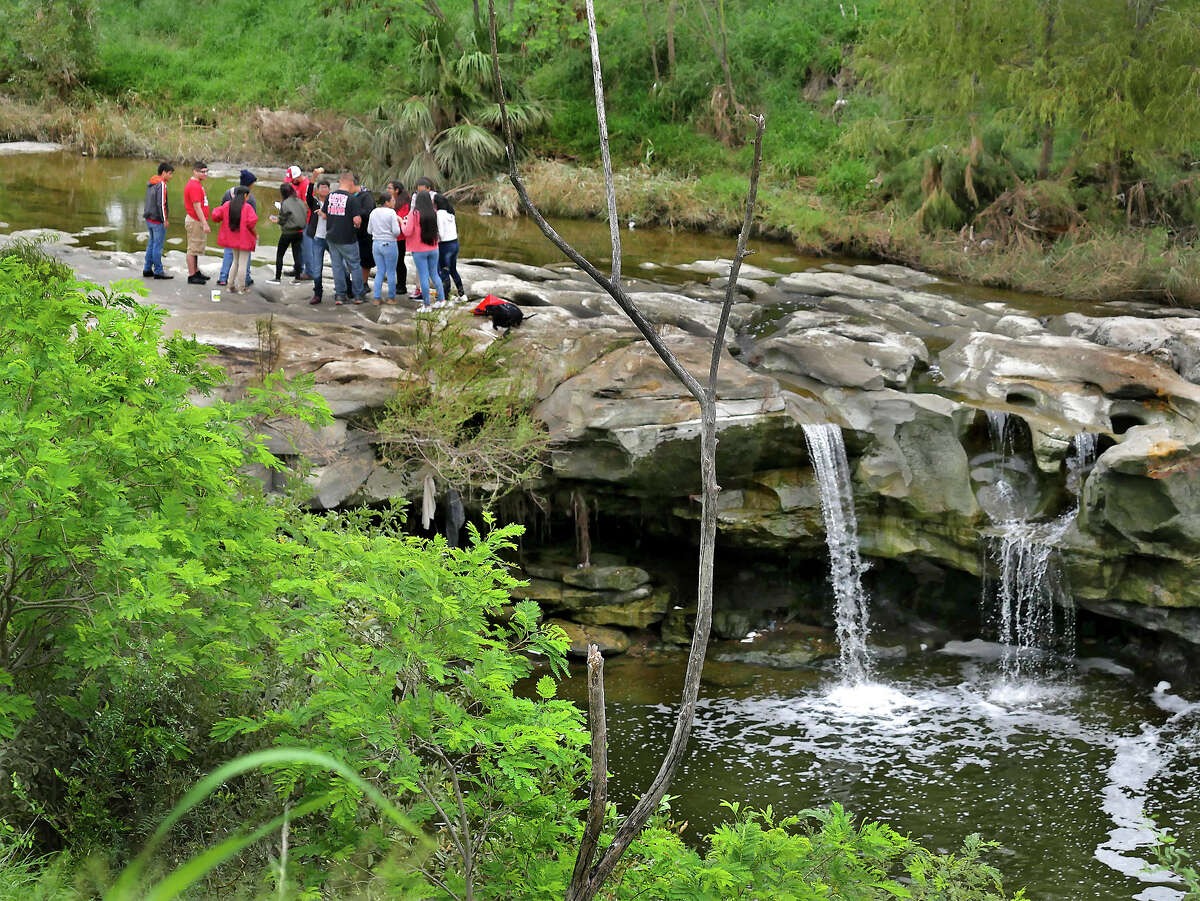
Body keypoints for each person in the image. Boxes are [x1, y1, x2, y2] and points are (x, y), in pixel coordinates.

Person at [325, 171, 366, 305]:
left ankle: (340, 295)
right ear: (351, 182)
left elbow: (324, 215)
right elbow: (357, 220)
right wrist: (357, 223)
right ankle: (358, 295)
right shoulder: (352, 199)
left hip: (331, 236)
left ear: (340, 181)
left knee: (337, 266)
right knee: (354, 266)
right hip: (347, 237)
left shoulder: (330, 196)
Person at [211, 185, 258, 294]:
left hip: (232, 239)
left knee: (235, 262)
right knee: (243, 263)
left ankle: (230, 285)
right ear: (245, 195)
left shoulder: (227, 205)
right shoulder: (247, 207)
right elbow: (251, 223)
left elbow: (216, 215)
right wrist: (256, 234)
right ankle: (242, 288)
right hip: (245, 239)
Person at [401, 190, 440, 309]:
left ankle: (427, 305)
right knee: (435, 275)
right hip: (434, 248)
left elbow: (407, 231)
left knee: (423, 276)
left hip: (419, 250)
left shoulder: (414, 213)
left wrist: (402, 222)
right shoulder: (434, 212)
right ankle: (441, 300)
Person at [267, 183, 307, 283]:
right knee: (297, 254)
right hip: (299, 232)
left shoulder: (285, 203)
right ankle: (297, 278)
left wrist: (276, 219)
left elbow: (282, 219)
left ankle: (277, 278)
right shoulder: (300, 201)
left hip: (288, 232)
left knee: (280, 254)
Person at [367, 190, 402, 304]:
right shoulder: (392, 213)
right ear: (387, 202)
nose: (394, 202)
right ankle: (391, 297)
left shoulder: (373, 212)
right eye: (392, 200)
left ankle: (377, 298)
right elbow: (396, 232)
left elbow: (369, 230)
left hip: (376, 243)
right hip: (389, 243)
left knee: (380, 271)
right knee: (391, 271)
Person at [142, 161, 174, 279]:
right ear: (164, 173)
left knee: (151, 244)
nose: (171, 176)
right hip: (157, 220)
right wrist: (165, 219)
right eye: (170, 174)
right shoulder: (161, 184)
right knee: (157, 246)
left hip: (149, 218)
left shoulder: (152, 182)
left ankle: (147, 268)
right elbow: (161, 204)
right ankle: (158, 271)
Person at [183, 161, 211, 284]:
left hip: (197, 220)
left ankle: (196, 271)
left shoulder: (198, 184)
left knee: (196, 248)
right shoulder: (194, 186)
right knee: (192, 248)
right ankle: (191, 275)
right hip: (195, 220)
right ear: (195, 171)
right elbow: (197, 207)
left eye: (206, 171)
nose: (205, 174)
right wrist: (204, 223)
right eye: (202, 172)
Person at [304, 178, 331, 305]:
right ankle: (317, 293)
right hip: (317, 238)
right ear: (317, 190)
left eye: (326, 187)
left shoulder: (333, 203)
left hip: (331, 238)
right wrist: (312, 180)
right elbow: (308, 195)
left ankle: (346, 289)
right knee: (317, 266)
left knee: (341, 265)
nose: (324, 189)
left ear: (330, 190)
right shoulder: (314, 202)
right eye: (322, 187)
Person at [434, 192, 464, 302]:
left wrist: (434, 240)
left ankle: (445, 297)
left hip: (445, 246)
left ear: (436, 203)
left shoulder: (439, 215)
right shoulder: (450, 213)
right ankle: (462, 294)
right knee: (453, 270)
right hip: (454, 243)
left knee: (443, 271)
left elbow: (441, 234)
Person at [387, 180, 410, 297]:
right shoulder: (392, 201)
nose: (388, 190)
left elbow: (401, 219)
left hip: (400, 237)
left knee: (399, 261)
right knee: (394, 261)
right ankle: (397, 284)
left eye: (390, 188)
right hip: (391, 236)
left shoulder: (404, 204)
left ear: (397, 190)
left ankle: (402, 285)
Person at [353, 176, 375, 291]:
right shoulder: (350, 196)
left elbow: (369, 212)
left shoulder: (366, 196)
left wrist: (355, 213)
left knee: (365, 260)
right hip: (352, 234)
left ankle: (364, 283)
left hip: (365, 234)